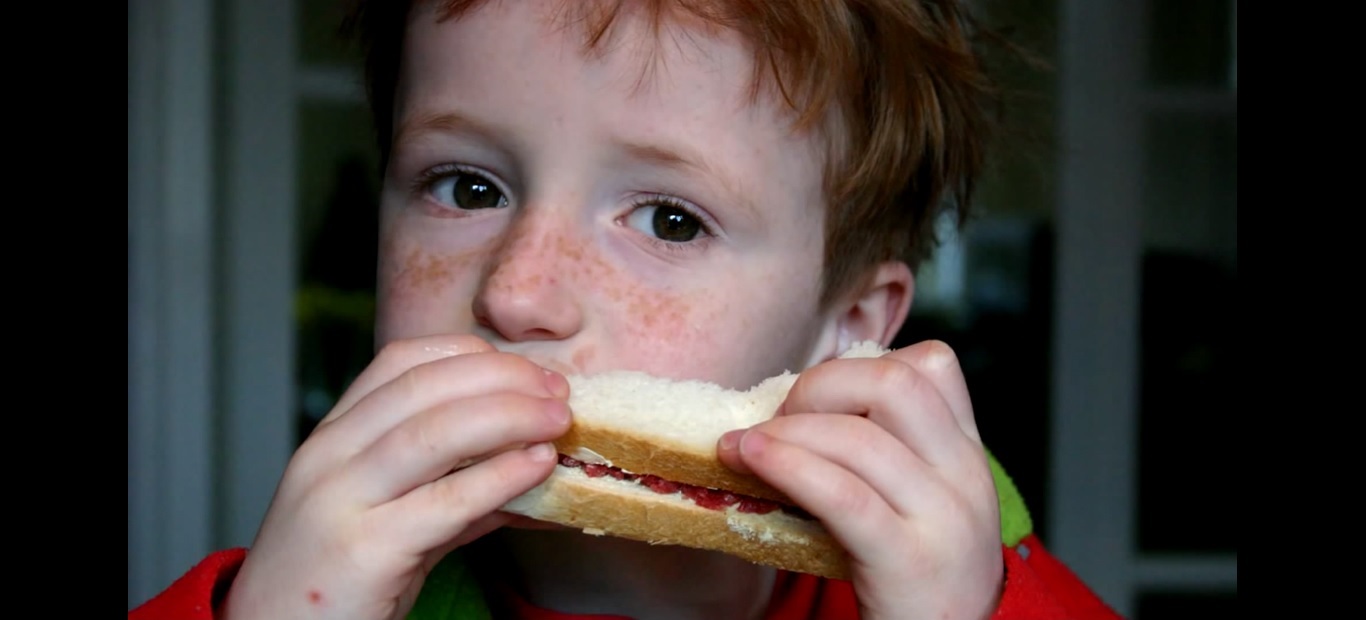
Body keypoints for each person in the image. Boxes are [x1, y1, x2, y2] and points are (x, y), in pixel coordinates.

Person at [130, 0, 1124, 618]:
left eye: (668, 218)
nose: (516, 293)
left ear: (851, 326)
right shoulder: (294, 586)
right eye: (467, 188)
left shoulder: (958, 583)